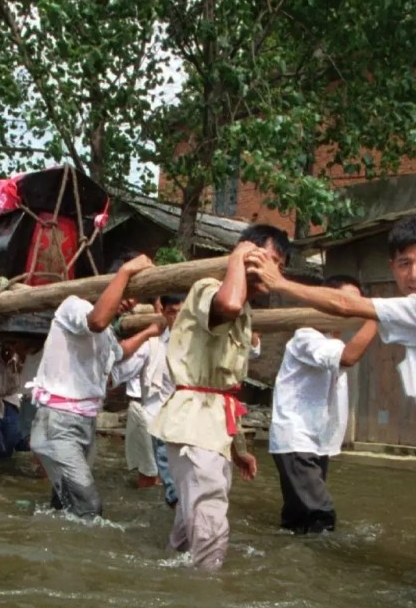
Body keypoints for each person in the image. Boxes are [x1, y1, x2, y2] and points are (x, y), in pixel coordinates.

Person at [246, 213, 416, 606]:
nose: (414, 274)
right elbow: (351, 318)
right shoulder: (311, 335)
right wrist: (364, 311)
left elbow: (347, 316)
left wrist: (279, 283)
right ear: (393, 268)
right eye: (404, 264)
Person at [150, 225, 290, 571]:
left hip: (209, 427)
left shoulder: (244, 309)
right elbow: (226, 304)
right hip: (194, 424)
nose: (274, 273)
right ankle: (206, 602)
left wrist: (237, 448)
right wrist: (238, 258)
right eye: (269, 260)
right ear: (247, 253)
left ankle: (172, 589)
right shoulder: (209, 289)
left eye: (280, 267)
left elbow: (224, 389)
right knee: (209, 518)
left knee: (189, 524)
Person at [29, 254, 164, 518]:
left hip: (85, 422)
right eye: (127, 291)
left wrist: (148, 332)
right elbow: (97, 321)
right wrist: (125, 271)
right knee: (88, 507)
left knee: (65, 503)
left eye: (135, 296)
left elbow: (119, 352)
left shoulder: (107, 333)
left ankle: (52, 550)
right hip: (58, 422)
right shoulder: (74, 306)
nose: (130, 301)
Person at [268, 276, 379, 534]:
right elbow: (348, 358)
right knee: (320, 515)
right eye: (346, 301)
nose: (353, 307)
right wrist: (376, 316)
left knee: (299, 518)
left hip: (317, 440)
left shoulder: (332, 340)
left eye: (357, 302)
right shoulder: (305, 336)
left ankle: (287, 561)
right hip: (297, 438)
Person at [110, 294, 185, 501]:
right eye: (172, 312)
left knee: (182, 483)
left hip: (185, 424)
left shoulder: (197, 345)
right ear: (163, 313)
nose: (178, 318)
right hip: (152, 421)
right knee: (150, 478)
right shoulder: (152, 345)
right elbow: (122, 370)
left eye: (183, 312)